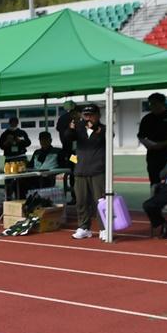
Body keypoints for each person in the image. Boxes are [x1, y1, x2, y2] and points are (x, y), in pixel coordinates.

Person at [69, 103, 107, 240]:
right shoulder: (78, 129)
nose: (88, 118)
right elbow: (67, 138)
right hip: (80, 171)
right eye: (86, 115)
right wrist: (71, 128)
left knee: (101, 202)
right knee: (81, 201)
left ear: (98, 116)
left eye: (91, 115)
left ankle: (104, 228)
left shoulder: (104, 129)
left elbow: (106, 138)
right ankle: (84, 227)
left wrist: (95, 128)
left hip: (98, 171)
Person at [137, 92, 167, 187]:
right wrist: (148, 145)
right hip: (153, 155)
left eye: (154, 103)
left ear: (162, 103)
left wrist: (162, 144)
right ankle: (155, 199)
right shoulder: (147, 119)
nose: (152, 106)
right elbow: (141, 136)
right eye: (150, 103)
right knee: (154, 180)